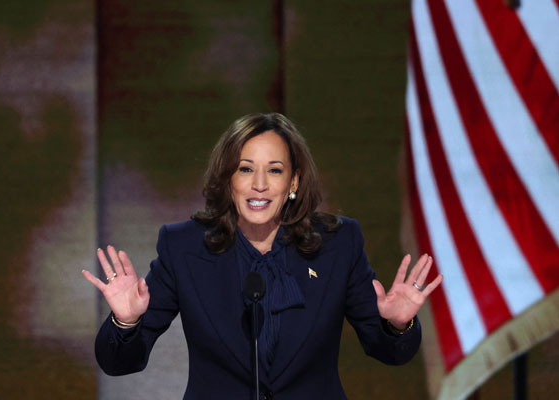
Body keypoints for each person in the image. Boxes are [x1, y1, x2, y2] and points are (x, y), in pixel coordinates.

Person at [83, 112, 443, 399]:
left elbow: (389, 352)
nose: (259, 184)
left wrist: (398, 325)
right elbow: (120, 363)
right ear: (228, 180)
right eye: (245, 169)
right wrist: (126, 323)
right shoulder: (185, 247)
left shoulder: (337, 244)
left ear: (294, 182)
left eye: (275, 170)